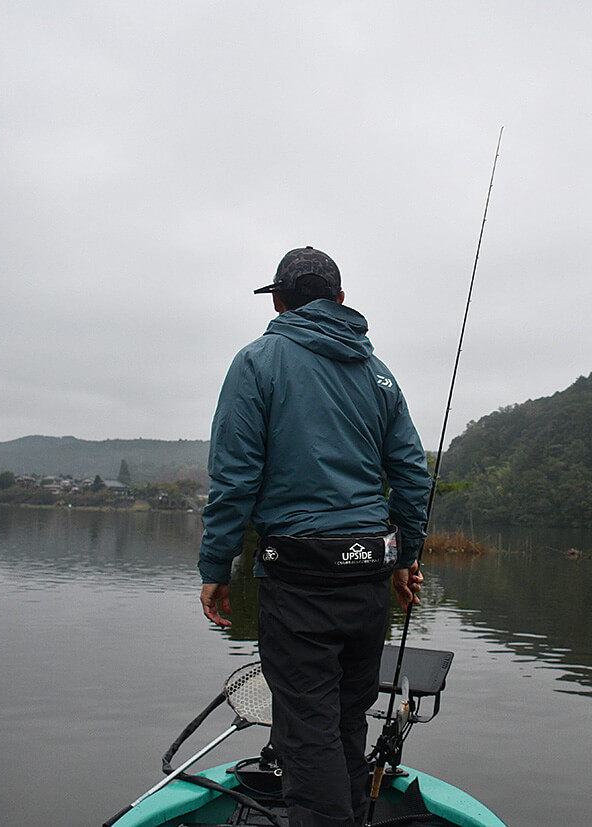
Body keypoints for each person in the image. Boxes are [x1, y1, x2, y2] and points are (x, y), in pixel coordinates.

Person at [198, 246, 430, 827]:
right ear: (341, 301)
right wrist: (406, 559)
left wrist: (215, 566)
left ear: (277, 301)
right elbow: (410, 476)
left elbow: (234, 478)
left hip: (299, 580)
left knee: (306, 731)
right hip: (370, 577)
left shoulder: (256, 362)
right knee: (349, 719)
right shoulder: (380, 376)